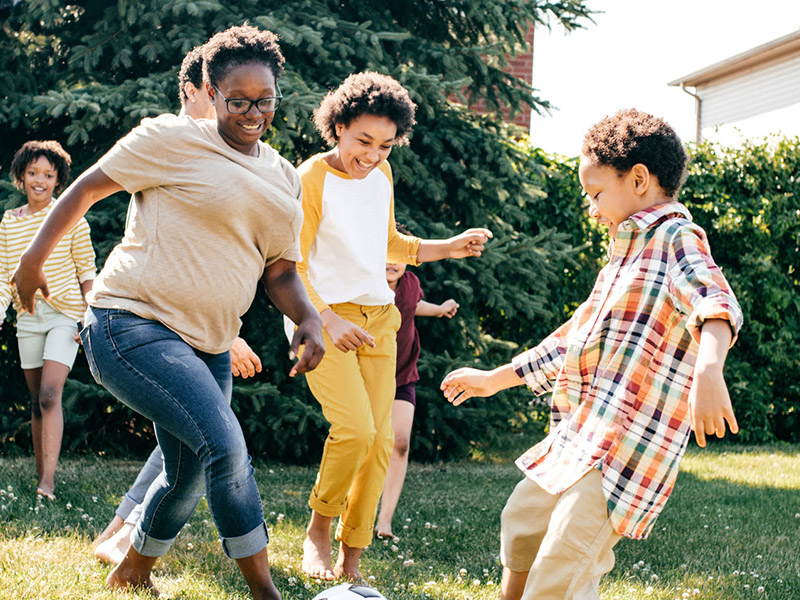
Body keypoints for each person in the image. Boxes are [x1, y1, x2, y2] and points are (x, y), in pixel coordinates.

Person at [13, 24, 324, 599]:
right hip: (129, 323)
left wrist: (307, 316)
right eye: (237, 100)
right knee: (225, 446)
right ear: (211, 89)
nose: (252, 113)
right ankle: (266, 593)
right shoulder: (171, 138)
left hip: (208, 344)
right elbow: (83, 190)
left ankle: (132, 569)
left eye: (264, 101)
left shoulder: (283, 175)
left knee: (188, 475)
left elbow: (280, 269)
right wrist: (34, 260)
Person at [440, 108, 744, 600]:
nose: (591, 205)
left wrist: (710, 370)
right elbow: (573, 338)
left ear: (639, 180)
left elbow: (715, 302)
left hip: (624, 450)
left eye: (596, 192)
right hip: (581, 435)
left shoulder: (674, 238)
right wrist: (495, 377)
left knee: (563, 561)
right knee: (521, 522)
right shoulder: (622, 258)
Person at [292, 71, 491, 582]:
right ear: (336, 126)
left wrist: (448, 246)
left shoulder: (381, 177)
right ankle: (319, 526)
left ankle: (352, 557)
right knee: (355, 428)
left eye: (385, 145)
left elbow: (388, 243)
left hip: (381, 320)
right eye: (363, 141)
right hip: (322, 320)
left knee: (381, 441)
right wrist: (326, 319)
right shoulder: (311, 180)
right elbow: (290, 264)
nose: (373, 154)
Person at [92, 41, 263, 567]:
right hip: (142, 320)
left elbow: (230, 251)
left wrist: (223, 327)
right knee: (211, 436)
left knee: (188, 454)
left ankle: (127, 548)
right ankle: (122, 534)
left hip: (199, 329)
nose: (228, 114)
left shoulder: (237, 156)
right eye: (219, 99)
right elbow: (167, 251)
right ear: (196, 92)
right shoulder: (170, 142)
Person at [1, 140, 96, 501]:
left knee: (49, 393)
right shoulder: (10, 222)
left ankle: (48, 483)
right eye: (32, 173)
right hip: (27, 319)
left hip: (65, 315)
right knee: (36, 397)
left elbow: (88, 273)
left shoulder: (71, 218)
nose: (39, 180)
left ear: (59, 181)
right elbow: (4, 274)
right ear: (21, 177)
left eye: (48, 175)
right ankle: (41, 474)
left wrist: (90, 313)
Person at [374, 226, 459, 539]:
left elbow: (412, 306)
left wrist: (438, 310)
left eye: (400, 255)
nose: (393, 261)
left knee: (400, 443)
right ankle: (352, 513)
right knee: (367, 443)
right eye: (387, 253)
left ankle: (384, 522)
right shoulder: (364, 284)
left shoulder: (410, 284)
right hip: (369, 374)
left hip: (402, 373)